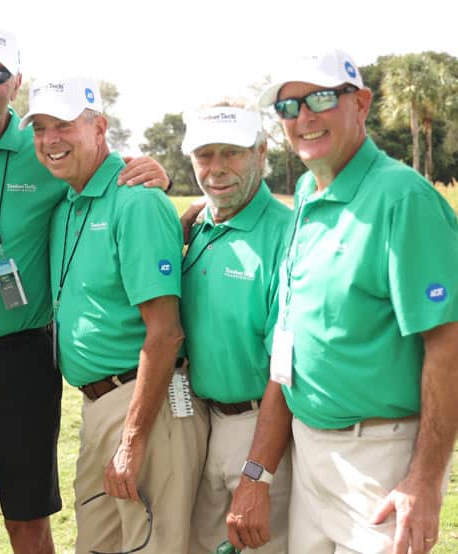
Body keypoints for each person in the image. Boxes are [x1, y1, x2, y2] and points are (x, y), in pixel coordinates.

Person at [0, 29, 170, 554]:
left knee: (28, 519)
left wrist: (157, 176)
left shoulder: (44, 146)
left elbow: (103, 168)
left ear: (15, 83)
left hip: (23, 360)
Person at [234, 48, 458, 553]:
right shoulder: (310, 197)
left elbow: (448, 346)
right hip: (310, 453)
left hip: (380, 460)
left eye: (319, 99)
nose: (303, 117)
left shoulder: (403, 198)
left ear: (362, 103)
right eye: (288, 107)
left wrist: (422, 481)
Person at [22, 74, 208, 554]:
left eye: (63, 125)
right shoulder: (66, 203)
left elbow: (165, 334)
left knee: (155, 544)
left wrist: (132, 439)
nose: (50, 140)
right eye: (40, 128)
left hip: (148, 408)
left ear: (99, 127)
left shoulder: (138, 201)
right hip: (99, 406)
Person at [177, 99, 293, 553]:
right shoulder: (195, 227)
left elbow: (284, 370)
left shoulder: (287, 233)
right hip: (199, 424)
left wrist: (257, 475)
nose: (216, 168)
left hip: (259, 429)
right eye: (205, 155)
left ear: (262, 152)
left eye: (233, 152)